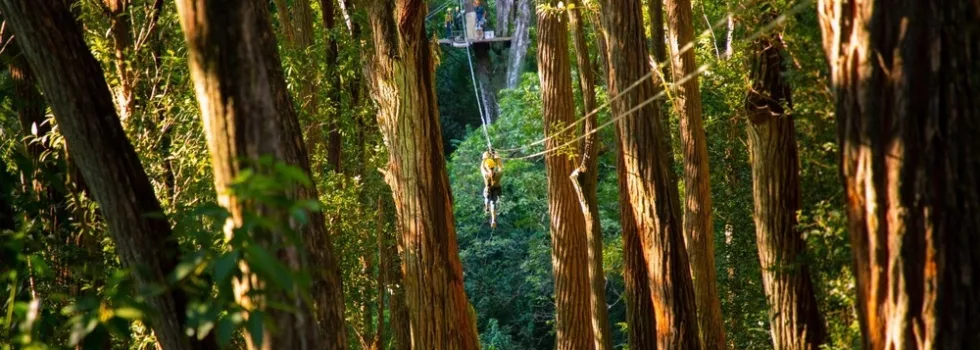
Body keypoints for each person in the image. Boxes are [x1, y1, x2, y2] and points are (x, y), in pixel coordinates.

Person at [481, 150, 503, 228]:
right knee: (493, 204)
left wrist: (484, 158)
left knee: (487, 198)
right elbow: (500, 167)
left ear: (487, 167)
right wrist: (497, 157)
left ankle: (486, 206)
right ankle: (493, 220)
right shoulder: (498, 174)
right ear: (494, 167)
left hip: (488, 190)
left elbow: (482, 167)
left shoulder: (486, 175)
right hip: (496, 190)